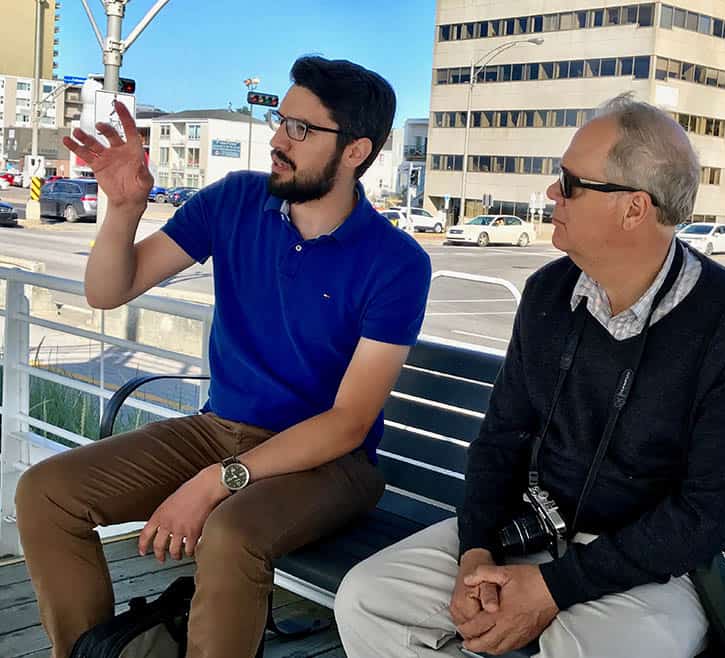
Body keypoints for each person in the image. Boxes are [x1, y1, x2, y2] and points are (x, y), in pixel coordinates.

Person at [334, 95, 725, 658]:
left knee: (583, 646)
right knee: (368, 598)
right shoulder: (549, 293)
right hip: (528, 529)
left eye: (570, 183)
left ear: (634, 209)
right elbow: (502, 438)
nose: (552, 194)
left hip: (657, 568)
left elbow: (706, 513)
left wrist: (553, 587)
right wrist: (475, 552)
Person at [15, 56, 431, 658]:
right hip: (220, 430)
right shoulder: (235, 202)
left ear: (356, 152)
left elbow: (348, 423)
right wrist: (124, 208)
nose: (278, 140)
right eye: (281, 121)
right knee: (46, 492)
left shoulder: (395, 262)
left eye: (302, 130)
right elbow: (108, 292)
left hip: (329, 463)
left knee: (231, 531)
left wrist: (217, 482)